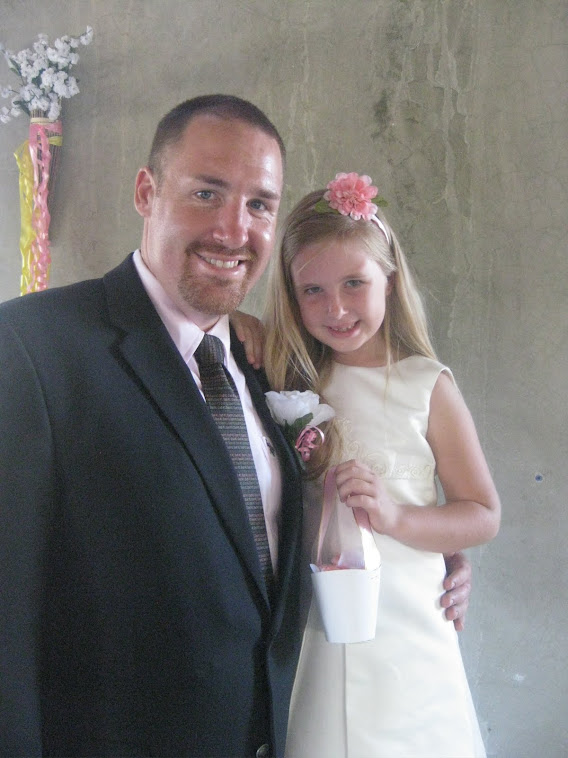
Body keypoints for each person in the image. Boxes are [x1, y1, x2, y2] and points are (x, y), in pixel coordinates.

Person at [0, 96, 471, 758]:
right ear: (147, 190)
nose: (233, 228)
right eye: (206, 192)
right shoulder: (30, 347)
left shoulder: (270, 369)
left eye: (258, 205)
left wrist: (434, 552)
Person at [259, 173, 501, 758]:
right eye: (311, 291)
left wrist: (397, 518)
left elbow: (482, 514)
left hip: (410, 625)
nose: (335, 308)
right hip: (316, 629)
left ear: (388, 282)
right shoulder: (286, 381)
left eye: (354, 283)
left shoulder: (426, 385)